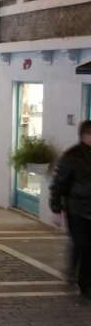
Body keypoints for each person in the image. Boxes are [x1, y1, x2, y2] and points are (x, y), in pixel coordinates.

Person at [49, 120, 91, 298]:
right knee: (82, 244)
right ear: (84, 135)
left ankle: (84, 282)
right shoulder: (71, 156)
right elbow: (59, 183)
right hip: (76, 209)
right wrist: (56, 208)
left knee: (88, 248)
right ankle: (77, 276)